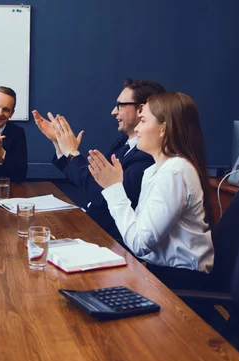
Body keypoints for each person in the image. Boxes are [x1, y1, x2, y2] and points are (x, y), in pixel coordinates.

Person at [85, 92, 214, 289]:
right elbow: (137, 233)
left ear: (164, 129)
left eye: (143, 121)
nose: (136, 129)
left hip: (180, 281)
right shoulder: (155, 169)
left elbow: (139, 243)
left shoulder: (174, 172)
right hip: (158, 272)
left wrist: (113, 189)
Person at [32, 79, 165, 242]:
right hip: (92, 227)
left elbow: (102, 197)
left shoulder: (148, 155)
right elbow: (94, 180)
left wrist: (72, 153)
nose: (113, 112)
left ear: (143, 109)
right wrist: (60, 144)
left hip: (110, 240)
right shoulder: (122, 142)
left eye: (120, 105)